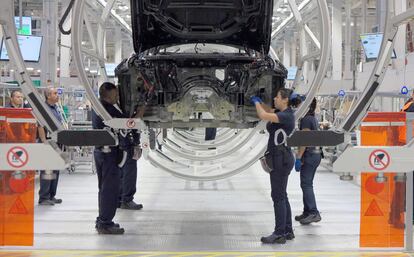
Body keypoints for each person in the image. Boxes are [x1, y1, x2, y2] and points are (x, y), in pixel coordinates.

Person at [250, 88, 301, 244]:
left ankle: (279, 233)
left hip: (280, 158)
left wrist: (256, 102)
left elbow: (264, 115)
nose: (274, 98)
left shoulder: (286, 116)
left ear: (285, 100)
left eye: (277, 97)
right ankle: (288, 230)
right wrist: (260, 102)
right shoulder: (284, 113)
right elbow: (268, 110)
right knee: (282, 195)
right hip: (281, 157)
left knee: (277, 196)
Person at [92, 82, 125, 234]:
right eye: (115, 94)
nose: (117, 96)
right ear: (108, 95)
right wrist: (141, 112)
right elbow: (127, 123)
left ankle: (102, 220)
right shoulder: (108, 109)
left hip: (100, 152)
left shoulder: (98, 106)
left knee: (104, 187)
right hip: (108, 154)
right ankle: (105, 223)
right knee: (110, 189)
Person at [294, 98, 322, 225]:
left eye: (300, 103)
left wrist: (298, 158)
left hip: (309, 155)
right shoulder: (312, 118)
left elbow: (304, 140)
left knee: (306, 184)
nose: (298, 106)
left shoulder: (306, 119)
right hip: (315, 155)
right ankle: (307, 212)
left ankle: (313, 212)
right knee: (306, 183)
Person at [38, 87, 63, 205]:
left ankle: (51, 195)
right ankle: (43, 197)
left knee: (55, 170)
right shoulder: (44, 109)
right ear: (48, 96)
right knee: (47, 171)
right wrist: (44, 142)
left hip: (56, 142)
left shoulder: (55, 108)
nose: (57, 95)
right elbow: (40, 126)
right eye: (55, 93)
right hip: (48, 142)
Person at [119, 128, 143, 210]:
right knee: (129, 172)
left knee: (122, 171)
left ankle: (120, 200)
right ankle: (126, 200)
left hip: (121, 140)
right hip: (127, 141)